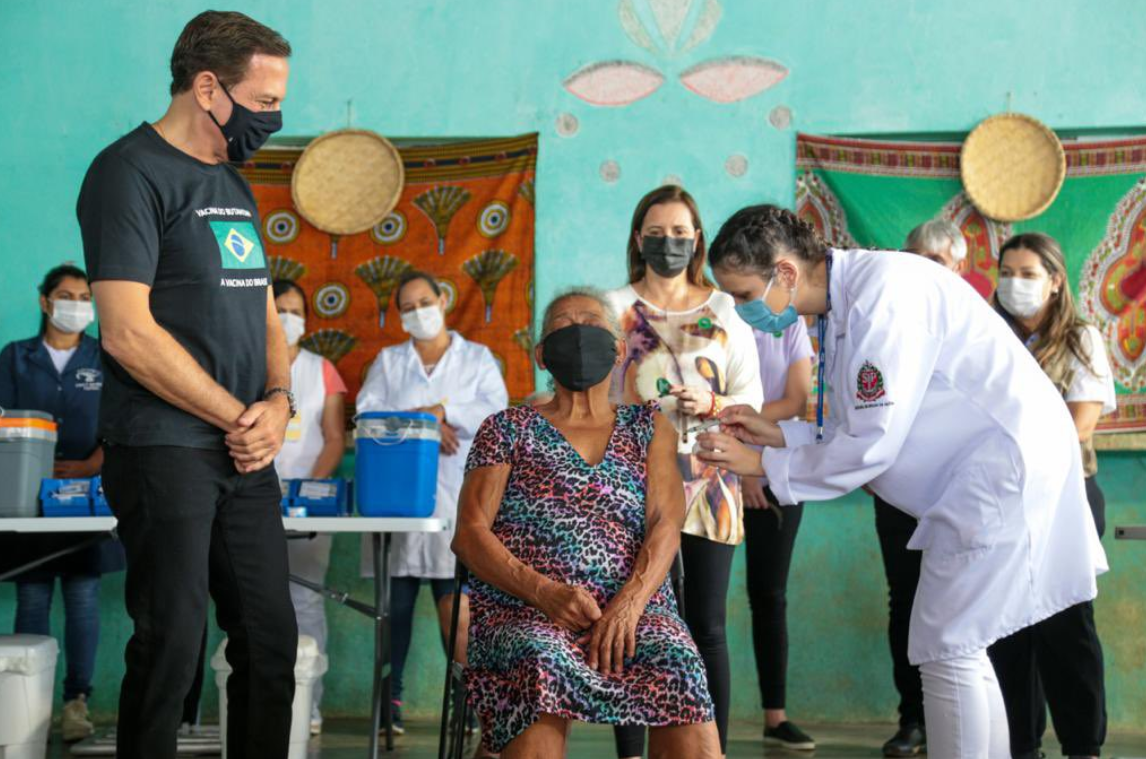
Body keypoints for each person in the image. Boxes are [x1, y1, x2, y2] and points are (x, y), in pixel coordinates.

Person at [695, 204, 1108, 759]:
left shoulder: (882, 296)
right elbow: (851, 423)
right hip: (982, 475)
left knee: (947, 644)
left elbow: (872, 442)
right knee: (958, 646)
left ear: (785, 273)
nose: (744, 311)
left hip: (1000, 474)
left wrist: (762, 466)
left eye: (745, 295)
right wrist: (776, 434)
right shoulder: (847, 302)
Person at [76, 12, 297, 759]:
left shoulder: (234, 184)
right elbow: (127, 331)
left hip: (245, 452)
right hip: (163, 445)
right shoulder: (127, 172)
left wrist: (279, 400)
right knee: (172, 642)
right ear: (208, 87)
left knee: (271, 644)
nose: (275, 116)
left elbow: (266, 312)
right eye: (264, 100)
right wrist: (240, 412)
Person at [452, 289, 720, 759]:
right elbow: (470, 532)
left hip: (635, 609)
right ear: (541, 354)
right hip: (526, 609)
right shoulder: (506, 427)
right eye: (562, 325)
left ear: (618, 350)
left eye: (591, 322)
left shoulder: (649, 426)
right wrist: (544, 592)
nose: (577, 333)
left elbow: (665, 521)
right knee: (539, 657)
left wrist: (629, 605)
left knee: (678, 661)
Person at [606, 185, 762, 759]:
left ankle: (707, 749)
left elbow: (753, 398)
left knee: (707, 625)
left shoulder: (726, 309)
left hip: (710, 482)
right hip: (631, 483)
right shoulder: (612, 305)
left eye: (679, 233)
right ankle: (631, 752)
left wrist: (715, 404)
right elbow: (591, 395)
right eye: (656, 232)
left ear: (696, 239)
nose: (667, 243)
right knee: (633, 617)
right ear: (637, 237)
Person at [357, 270, 507, 737]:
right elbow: (366, 413)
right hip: (398, 502)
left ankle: (466, 701)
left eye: (425, 300)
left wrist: (448, 414)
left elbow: (496, 415)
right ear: (399, 316)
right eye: (407, 306)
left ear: (443, 300)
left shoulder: (477, 358)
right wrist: (424, 424)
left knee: (458, 614)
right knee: (394, 613)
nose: (418, 311)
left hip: (457, 503)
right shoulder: (389, 360)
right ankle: (391, 702)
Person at [988, 232, 1111, 759]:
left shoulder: (1081, 339)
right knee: (1010, 631)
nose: (1015, 284)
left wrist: (1004, 432)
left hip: (1065, 499)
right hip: (1000, 502)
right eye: (1007, 272)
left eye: (1029, 274)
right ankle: (1021, 745)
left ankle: (1083, 746)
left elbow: (1080, 424)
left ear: (1056, 282)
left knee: (1067, 627)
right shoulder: (989, 337)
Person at [0, 264, 126, 742]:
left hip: (86, 498)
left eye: (83, 296)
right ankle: (28, 704)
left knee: (82, 596)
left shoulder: (106, 357)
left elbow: (120, 420)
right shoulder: (15, 358)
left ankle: (77, 702)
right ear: (45, 302)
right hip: (26, 498)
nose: (76, 304)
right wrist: (31, 464)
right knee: (32, 597)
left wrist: (96, 461)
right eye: (66, 294)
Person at [874, 219, 968, 757]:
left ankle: (958, 720)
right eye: (916, 258)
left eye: (937, 261)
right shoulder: (887, 323)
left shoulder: (980, 322)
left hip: (960, 487)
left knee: (962, 601)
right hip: (900, 489)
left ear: (959, 267)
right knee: (905, 600)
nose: (925, 270)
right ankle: (913, 718)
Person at [272, 279, 347, 736]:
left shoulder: (323, 370)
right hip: (250, 500)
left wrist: (306, 489)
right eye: (278, 308)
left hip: (311, 504)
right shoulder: (246, 361)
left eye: (295, 309)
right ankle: (261, 704)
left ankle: (309, 706)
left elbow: (335, 437)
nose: (287, 317)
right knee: (250, 602)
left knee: (305, 599)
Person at [743, 315, 815, 751]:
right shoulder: (716, 315)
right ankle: (692, 716)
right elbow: (700, 402)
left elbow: (794, 400)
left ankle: (776, 717)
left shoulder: (790, 325)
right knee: (696, 599)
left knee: (770, 595)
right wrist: (737, 468)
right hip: (712, 474)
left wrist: (756, 462)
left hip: (777, 473)